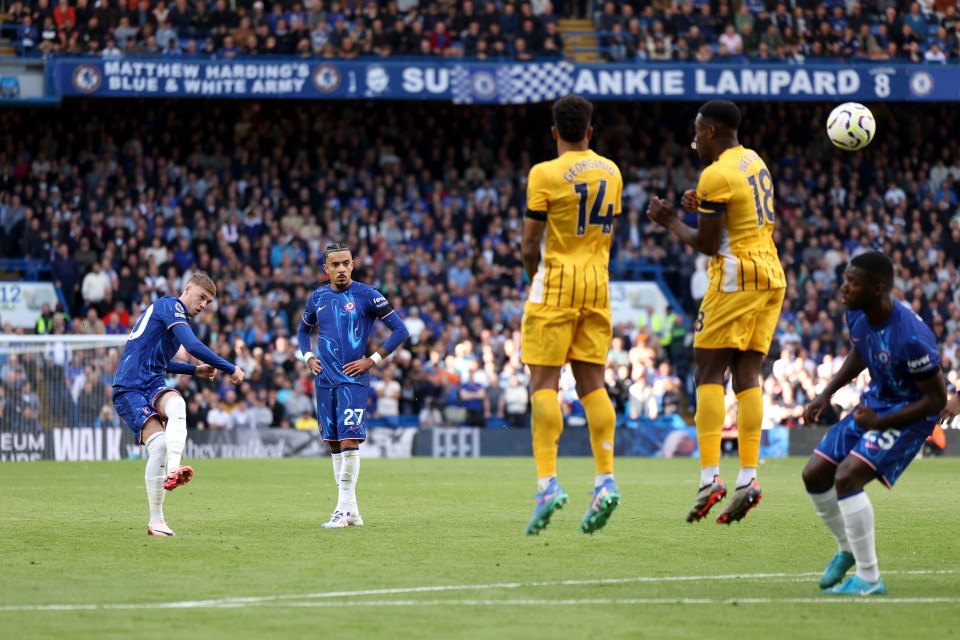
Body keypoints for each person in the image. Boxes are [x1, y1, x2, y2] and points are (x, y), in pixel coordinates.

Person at [647, 99, 786, 525]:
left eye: (696, 129)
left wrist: (671, 220)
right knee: (748, 376)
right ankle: (748, 476)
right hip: (770, 273)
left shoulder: (714, 173)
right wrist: (702, 207)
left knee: (707, 374)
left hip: (734, 276)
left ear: (710, 130)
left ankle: (710, 477)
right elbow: (736, 212)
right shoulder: (754, 161)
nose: (693, 138)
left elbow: (708, 244)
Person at [801, 252, 946, 596]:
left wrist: (881, 422)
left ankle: (869, 579)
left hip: (910, 415)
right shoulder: (857, 313)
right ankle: (848, 548)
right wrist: (826, 393)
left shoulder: (912, 338)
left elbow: (935, 402)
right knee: (814, 473)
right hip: (876, 403)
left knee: (847, 476)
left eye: (852, 282)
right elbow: (861, 350)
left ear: (877, 288)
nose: (843, 288)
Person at [520, 94, 623, 536]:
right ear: (590, 131)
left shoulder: (544, 173)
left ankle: (547, 484)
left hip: (556, 282)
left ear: (554, 132)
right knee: (592, 384)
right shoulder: (612, 171)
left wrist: (534, 277)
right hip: (598, 283)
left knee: (544, 384)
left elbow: (529, 245)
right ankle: (605, 480)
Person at [112, 272, 245, 537]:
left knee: (177, 406)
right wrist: (230, 367)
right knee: (159, 444)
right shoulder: (169, 305)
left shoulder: (174, 322)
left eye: (207, 303)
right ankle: (159, 510)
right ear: (187, 289)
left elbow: (161, 361)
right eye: (201, 297)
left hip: (152, 382)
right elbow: (193, 345)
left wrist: (193, 371)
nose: (203, 305)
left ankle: (170, 479)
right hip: (129, 386)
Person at [297, 242, 409, 529]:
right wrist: (308, 355)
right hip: (324, 381)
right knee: (334, 444)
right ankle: (352, 511)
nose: (341, 269)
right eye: (335, 264)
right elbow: (302, 330)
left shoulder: (367, 295)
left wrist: (372, 360)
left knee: (349, 442)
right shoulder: (317, 297)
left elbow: (400, 330)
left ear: (353, 264)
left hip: (353, 380)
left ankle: (341, 512)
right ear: (326, 269)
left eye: (345, 263)